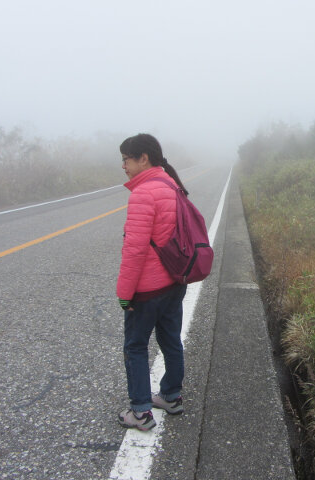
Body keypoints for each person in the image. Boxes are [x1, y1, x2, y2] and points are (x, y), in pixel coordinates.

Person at [116, 133, 188, 431]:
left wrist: (124, 294)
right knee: (170, 339)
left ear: (143, 158)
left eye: (126, 159)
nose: (123, 166)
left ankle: (141, 412)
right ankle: (171, 395)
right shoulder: (172, 184)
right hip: (175, 281)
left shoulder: (143, 193)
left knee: (135, 346)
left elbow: (135, 249)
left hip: (148, 289)